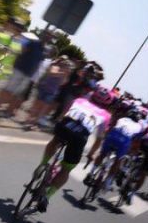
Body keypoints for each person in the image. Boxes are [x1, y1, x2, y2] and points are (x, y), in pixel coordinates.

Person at [34, 83, 114, 212]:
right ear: (107, 103)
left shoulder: (80, 100)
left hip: (65, 126)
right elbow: (99, 138)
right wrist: (91, 153)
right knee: (66, 169)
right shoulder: (105, 115)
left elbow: (64, 112)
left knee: (55, 140)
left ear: (93, 95)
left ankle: (42, 165)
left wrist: (58, 125)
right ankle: (47, 197)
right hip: (79, 137)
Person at [0, 27, 46, 119]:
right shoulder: (32, 42)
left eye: (50, 37)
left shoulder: (42, 49)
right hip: (19, 69)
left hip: (27, 74)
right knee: (7, 90)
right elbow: (20, 50)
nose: (47, 38)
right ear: (42, 35)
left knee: (12, 93)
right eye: (46, 35)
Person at [84, 105, 144, 190]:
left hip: (113, 134)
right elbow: (136, 143)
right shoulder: (139, 126)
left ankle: (91, 173)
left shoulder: (122, 119)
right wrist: (133, 151)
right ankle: (107, 183)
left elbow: (110, 128)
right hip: (124, 140)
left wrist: (105, 137)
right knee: (117, 162)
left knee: (102, 154)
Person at [21, 55, 73, 130]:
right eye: (62, 60)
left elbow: (63, 82)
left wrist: (66, 74)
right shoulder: (55, 65)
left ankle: (34, 123)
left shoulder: (65, 71)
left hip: (52, 91)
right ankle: (28, 120)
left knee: (43, 108)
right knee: (36, 105)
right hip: (44, 88)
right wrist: (63, 73)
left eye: (65, 61)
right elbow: (52, 73)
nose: (63, 62)